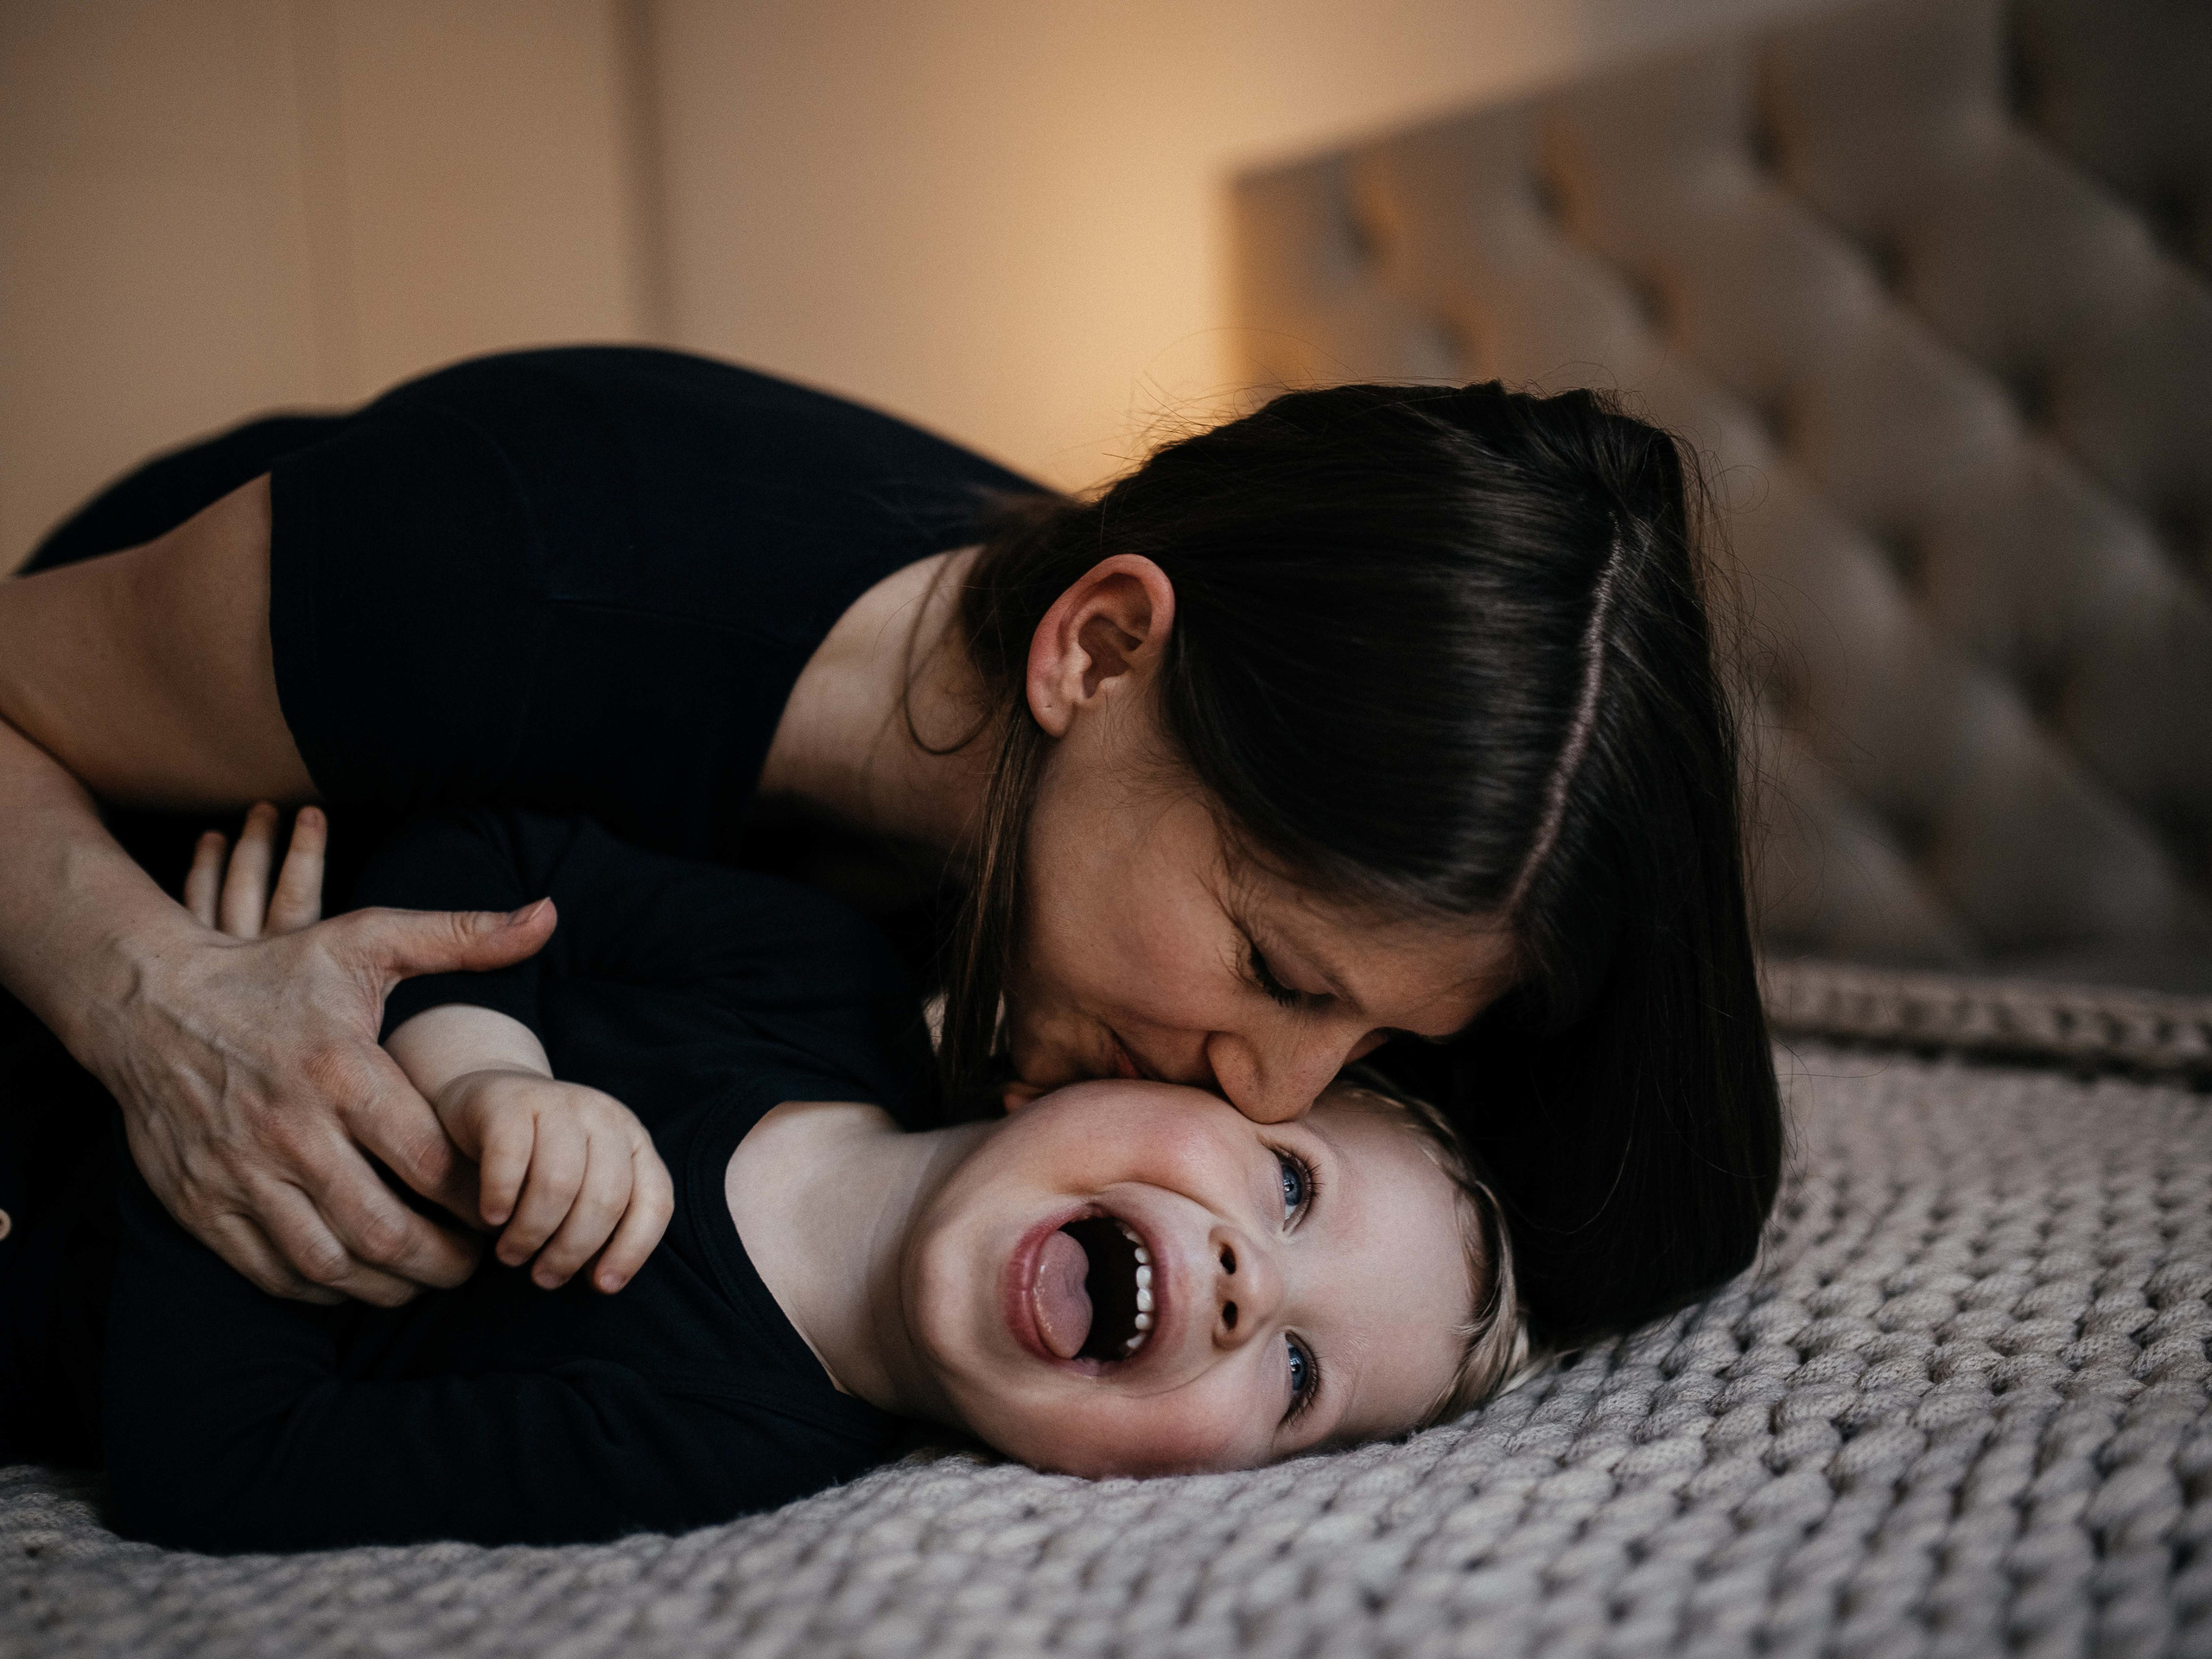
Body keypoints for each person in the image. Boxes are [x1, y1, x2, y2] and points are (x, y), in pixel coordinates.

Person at [0, 347, 1780, 1349]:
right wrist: (152, 996)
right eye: (1274, 973)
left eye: (1373, 1044)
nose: (1273, 1097)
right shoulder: (503, 567)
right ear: (1092, 648)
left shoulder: (1142, 750)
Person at [3, 805, 1525, 1553]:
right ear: (1150, 1072)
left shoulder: (722, 1449)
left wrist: (243, 1091)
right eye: (1294, 1190)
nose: (1259, 1284)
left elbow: (221, 1463)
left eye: (1303, 1375)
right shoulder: (811, 974)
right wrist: (480, 1070)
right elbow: (492, 852)